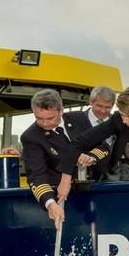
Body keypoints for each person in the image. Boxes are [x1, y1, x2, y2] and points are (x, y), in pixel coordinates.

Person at [21, 89, 108, 228]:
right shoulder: (31, 137)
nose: (44, 123)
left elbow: (104, 147)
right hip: (63, 197)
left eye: (50, 118)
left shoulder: (80, 119)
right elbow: (36, 176)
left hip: (95, 190)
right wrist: (50, 203)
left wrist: (91, 157)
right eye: (38, 118)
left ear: (61, 111)